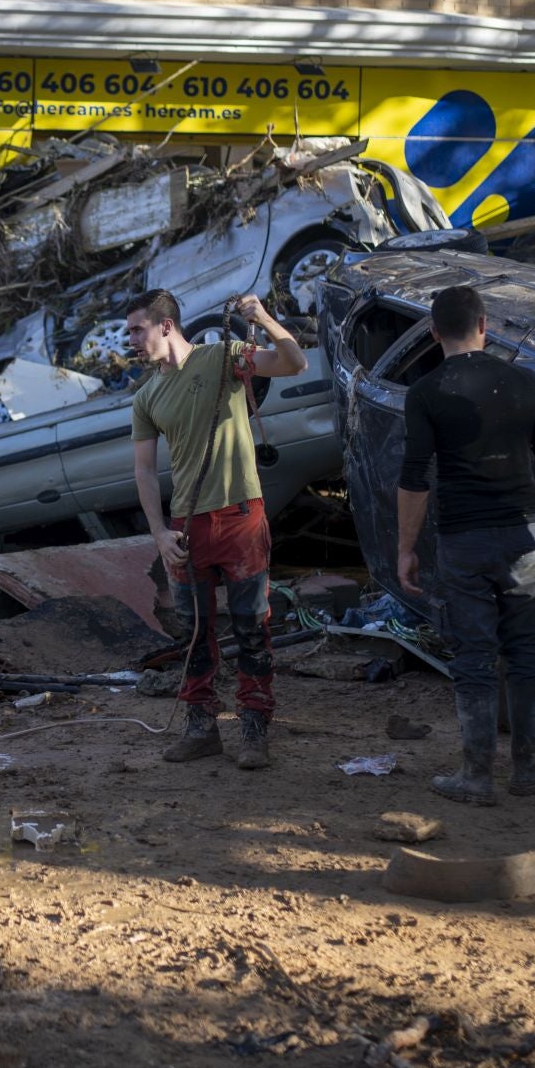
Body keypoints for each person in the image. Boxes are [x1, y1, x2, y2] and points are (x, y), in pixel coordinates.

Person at [396, 284, 535, 805]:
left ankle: (476, 775)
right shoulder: (525, 381)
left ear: (433, 333)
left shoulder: (426, 392)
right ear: (485, 325)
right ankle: (528, 767)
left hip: (463, 539)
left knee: (473, 656)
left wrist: (406, 547)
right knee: (527, 652)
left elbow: (415, 476)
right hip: (526, 535)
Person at [129, 288, 308, 770]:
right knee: (194, 631)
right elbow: (144, 472)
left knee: (252, 626)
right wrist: (159, 535)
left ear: (166, 326)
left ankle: (254, 730)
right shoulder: (145, 397)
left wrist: (264, 318)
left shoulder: (223, 356)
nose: (131, 339)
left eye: (137, 329)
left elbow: (294, 364)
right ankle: (201, 728)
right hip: (185, 528)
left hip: (239, 517)